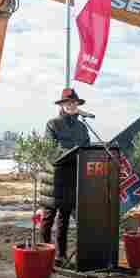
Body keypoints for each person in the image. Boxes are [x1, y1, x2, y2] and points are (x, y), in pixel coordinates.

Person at [39, 87, 90, 265]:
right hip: (53, 177)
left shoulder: (83, 127)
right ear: (61, 105)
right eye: (67, 102)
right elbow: (50, 148)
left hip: (72, 177)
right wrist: (71, 152)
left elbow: (87, 148)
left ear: (77, 105)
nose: (71, 105)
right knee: (48, 217)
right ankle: (45, 252)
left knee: (64, 218)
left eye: (74, 103)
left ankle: (61, 255)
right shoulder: (52, 124)